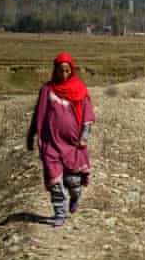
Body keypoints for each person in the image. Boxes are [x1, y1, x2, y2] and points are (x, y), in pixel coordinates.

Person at [26, 52, 95, 226]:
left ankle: (74, 198)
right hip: (52, 144)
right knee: (55, 182)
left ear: (71, 71)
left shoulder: (79, 89)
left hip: (73, 145)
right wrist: (31, 135)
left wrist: (84, 136)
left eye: (67, 71)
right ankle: (59, 213)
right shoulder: (47, 91)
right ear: (55, 70)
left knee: (73, 182)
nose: (63, 74)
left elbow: (87, 115)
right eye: (60, 71)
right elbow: (38, 115)